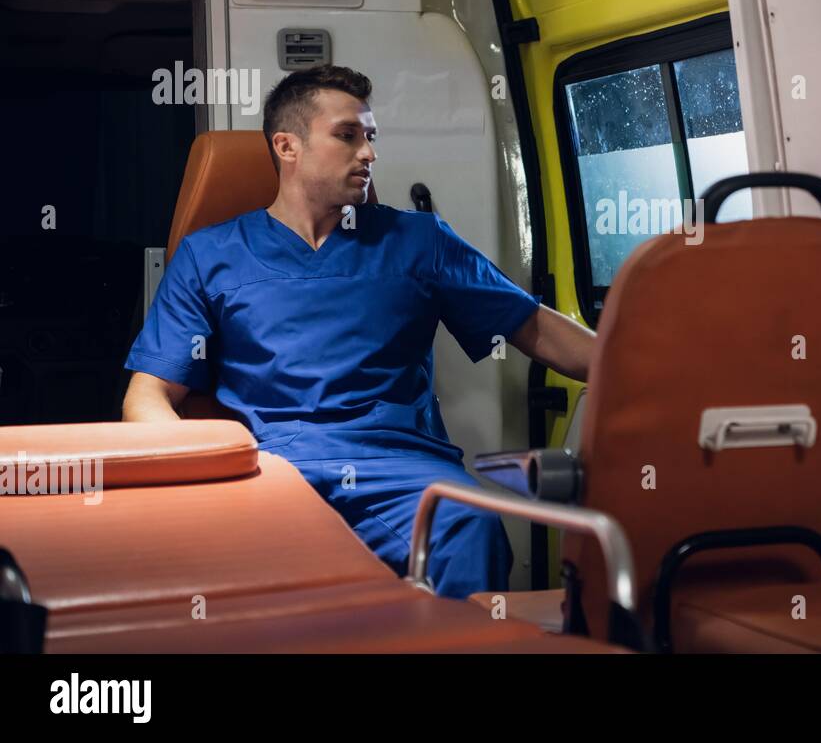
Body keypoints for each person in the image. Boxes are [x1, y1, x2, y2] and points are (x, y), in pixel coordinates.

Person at [121, 65, 595, 598]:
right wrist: (204, 467)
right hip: (271, 468)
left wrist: (650, 367)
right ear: (287, 146)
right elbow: (148, 395)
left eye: (371, 138)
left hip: (402, 471)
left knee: (469, 525)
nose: (368, 153)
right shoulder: (211, 255)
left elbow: (535, 328)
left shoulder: (419, 241)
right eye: (347, 136)